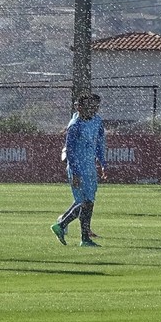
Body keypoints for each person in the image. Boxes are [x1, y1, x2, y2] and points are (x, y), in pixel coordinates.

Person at [51, 93, 107, 247]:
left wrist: (102, 163)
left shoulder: (96, 121)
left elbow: (99, 143)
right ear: (79, 108)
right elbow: (69, 150)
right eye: (89, 106)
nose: (92, 109)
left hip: (89, 167)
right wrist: (75, 172)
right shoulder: (75, 125)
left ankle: (85, 238)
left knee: (89, 202)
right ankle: (61, 224)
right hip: (78, 168)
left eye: (94, 106)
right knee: (83, 202)